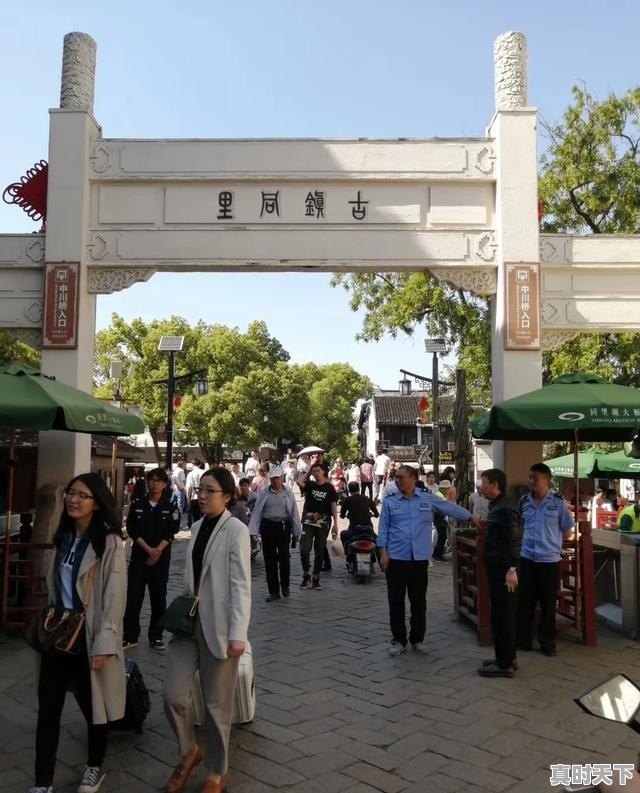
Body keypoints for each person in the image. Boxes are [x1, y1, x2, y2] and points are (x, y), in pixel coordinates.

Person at [29, 473, 126, 793]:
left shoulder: (109, 541)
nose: (73, 499)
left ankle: (95, 766)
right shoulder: (64, 535)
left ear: (97, 504)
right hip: (59, 634)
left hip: (89, 637)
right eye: (71, 493)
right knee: (48, 708)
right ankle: (42, 782)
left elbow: (114, 595)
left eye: (82, 495)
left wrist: (105, 643)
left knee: (93, 707)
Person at [163, 467, 251, 793]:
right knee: (172, 694)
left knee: (216, 706)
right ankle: (189, 751)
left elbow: (241, 585)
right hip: (189, 624)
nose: (201, 495)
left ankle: (216, 771)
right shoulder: (196, 527)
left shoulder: (236, 531)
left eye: (209, 491)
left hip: (221, 627)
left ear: (227, 496)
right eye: (200, 490)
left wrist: (238, 633)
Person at [377, 465, 478, 656]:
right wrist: (383, 553)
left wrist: (471, 516)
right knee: (396, 601)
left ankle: (417, 639)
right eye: (396, 477)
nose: (397, 480)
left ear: (413, 478)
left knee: (418, 601)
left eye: (401, 477)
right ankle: (398, 640)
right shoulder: (390, 502)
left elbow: (449, 507)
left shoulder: (427, 498)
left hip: (419, 559)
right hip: (396, 559)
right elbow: (383, 530)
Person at [517, 462, 575, 657]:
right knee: (525, 602)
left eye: (535, 477)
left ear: (547, 480)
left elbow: (567, 532)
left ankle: (547, 642)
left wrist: (551, 541)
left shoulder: (558, 503)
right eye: (530, 477)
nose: (531, 481)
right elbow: (519, 527)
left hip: (549, 561)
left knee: (548, 604)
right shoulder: (524, 501)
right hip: (527, 559)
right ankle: (523, 640)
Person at [123, 467, 179, 651]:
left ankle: (156, 636)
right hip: (140, 557)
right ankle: (130, 635)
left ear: (164, 484)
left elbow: (171, 531)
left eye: (158, 481)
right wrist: (148, 550)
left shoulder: (170, 505)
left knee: (158, 598)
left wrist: (157, 552)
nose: (154, 483)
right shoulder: (138, 503)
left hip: (161, 559)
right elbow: (132, 529)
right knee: (133, 598)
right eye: (151, 480)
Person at [477, 469, 521, 678]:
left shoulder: (504, 508)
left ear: (496, 485)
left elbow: (514, 539)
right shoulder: (499, 505)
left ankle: (505, 664)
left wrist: (512, 568)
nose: (481, 486)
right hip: (499, 568)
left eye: (484, 482)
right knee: (502, 614)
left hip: (504, 571)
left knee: (504, 616)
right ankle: (506, 657)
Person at [249, 466, 302, 601]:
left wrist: (297, 531)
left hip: (284, 526)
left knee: (284, 557)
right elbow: (257, 512)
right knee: (269, 559)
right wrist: (253, 531)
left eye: (277, 479)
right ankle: (274, 591)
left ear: (282, 479)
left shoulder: (287, 492)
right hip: (268, 526)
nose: (275, 482)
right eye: (272, 479)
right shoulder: (264, 492)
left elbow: (294, 511)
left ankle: (285, 586)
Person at [297, 460, 339, 590]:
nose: (316, 473)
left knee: (319, 550)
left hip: (323, 521)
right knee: (304, 549)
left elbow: (333, 505)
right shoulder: (310, 485)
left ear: (324, 472)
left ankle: (316, 577)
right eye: (314, 471)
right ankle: (306, 575)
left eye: (318, 471)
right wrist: (309, 470)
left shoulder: (329, 488)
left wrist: (336, 524)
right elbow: (299, 482)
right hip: (308, 521)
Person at [340, 481, 379, 551]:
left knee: (343, 534)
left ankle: (346, 553)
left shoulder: (347, 500)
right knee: (378, 542)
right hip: (368, 529)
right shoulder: (366, 498)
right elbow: (376, 512)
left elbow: (342, 515)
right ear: (359, 489)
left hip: (353, 529)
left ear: (349, 490)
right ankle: (380, 559)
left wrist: (345, 515)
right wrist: (375, 515)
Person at [186, 460, 204, 529]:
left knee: (195, 517)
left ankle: (196, 531)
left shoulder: (190, 474)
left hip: (194, 497)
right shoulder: (204, 472)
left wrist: (188, 498)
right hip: (203, 497)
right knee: (203, 516)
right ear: (199, 464)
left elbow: (189, 487)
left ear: (192, 464)